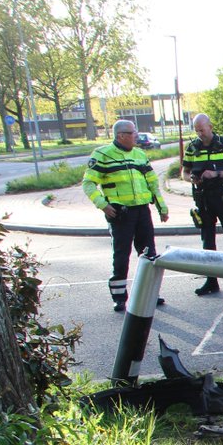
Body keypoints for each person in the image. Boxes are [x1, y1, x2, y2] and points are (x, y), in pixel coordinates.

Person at [81, 120, 170, 312]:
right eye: (132, 133)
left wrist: (162, 207)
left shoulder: (139, 154)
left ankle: (150, 293)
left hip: (142, 211)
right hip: (120, 213)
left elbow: (152, 183)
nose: (136, 136)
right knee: (121, 255)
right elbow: (88, 184)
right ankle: (120, 297)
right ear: (121, 135)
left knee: (149, 254)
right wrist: (103, 205)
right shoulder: (103, 154)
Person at [182, 113, 223, 295]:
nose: (200, 134)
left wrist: (216, 174)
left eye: (202, 130)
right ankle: (211, 281)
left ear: (210, 127)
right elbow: (184, 172)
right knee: (207, 242)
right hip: (203, 199)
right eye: (196, 131)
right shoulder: (193, 147)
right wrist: (192, 179)